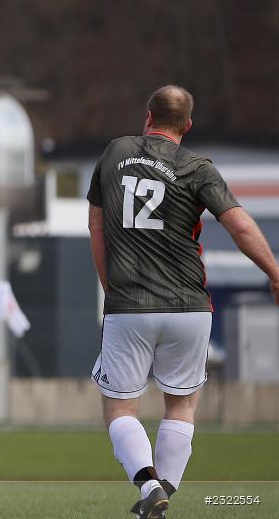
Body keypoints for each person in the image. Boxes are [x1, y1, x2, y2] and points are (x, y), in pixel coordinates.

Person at [86, 85, 279, 519]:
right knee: (181, 404)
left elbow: (97, 226)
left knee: (119, 407)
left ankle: (150, 486)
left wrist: (110, 285)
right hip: (190, 306)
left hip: (130, 304)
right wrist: (275, 271)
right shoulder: (197, 167)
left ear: (148, 117)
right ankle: (161, 496)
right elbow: (240, 226)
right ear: (187, 126)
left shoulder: (114, 153)